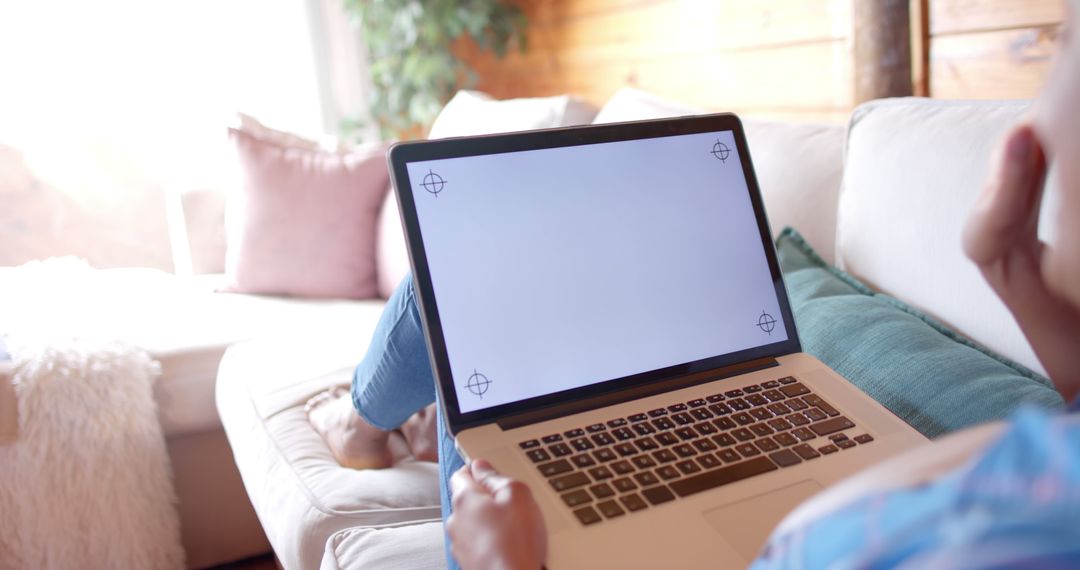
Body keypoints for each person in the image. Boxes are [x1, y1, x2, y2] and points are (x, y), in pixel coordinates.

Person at [310, 1, 1080, 566]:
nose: (1036, 122)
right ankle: (375, 424)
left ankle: (363, 423)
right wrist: (1031, 294)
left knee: (441, 300)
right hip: (760, 411)